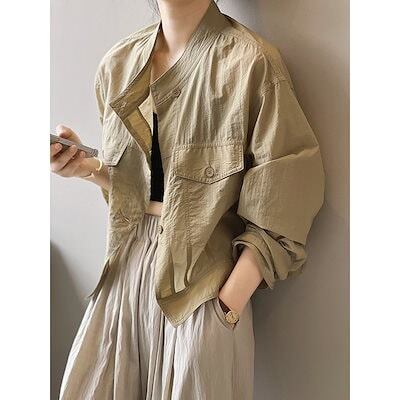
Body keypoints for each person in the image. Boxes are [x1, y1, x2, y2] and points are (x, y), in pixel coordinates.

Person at [51, 0, 325, 398]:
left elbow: (285, 196)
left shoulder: (250, 63)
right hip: (123, 271)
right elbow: (141, 188)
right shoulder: (118, 64)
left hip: (201, 285)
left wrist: (227, 304)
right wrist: (87, 168)